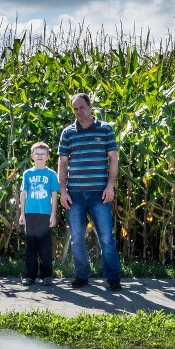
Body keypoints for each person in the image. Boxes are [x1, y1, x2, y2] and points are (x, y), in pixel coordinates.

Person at [57, 93, 122, 291]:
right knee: (77, 237)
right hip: (75, 195)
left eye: (82, 107)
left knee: (106, 238)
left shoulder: (105, 130)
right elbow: (62, 162)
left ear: (90, 106)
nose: (79, 112)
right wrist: (63, 191)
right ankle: (81, 276)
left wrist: (110, 186)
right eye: (75, 109)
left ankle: (113, 279)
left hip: (99, 194)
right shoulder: (68, 133)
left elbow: (113, 159)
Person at [19, 142, 60, 286]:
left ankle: (46, 275)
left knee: (45, 246)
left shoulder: (51, 174)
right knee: (31, 246)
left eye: (43, 154)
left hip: (45, 214)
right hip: (30, 214)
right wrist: (22, 214)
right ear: (32, 156)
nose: (40, 156)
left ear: (48, 157)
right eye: (37, 153)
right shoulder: (27, 174)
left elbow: (54, 195)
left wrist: (53, 215)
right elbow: (23, 194)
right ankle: (30, 276)